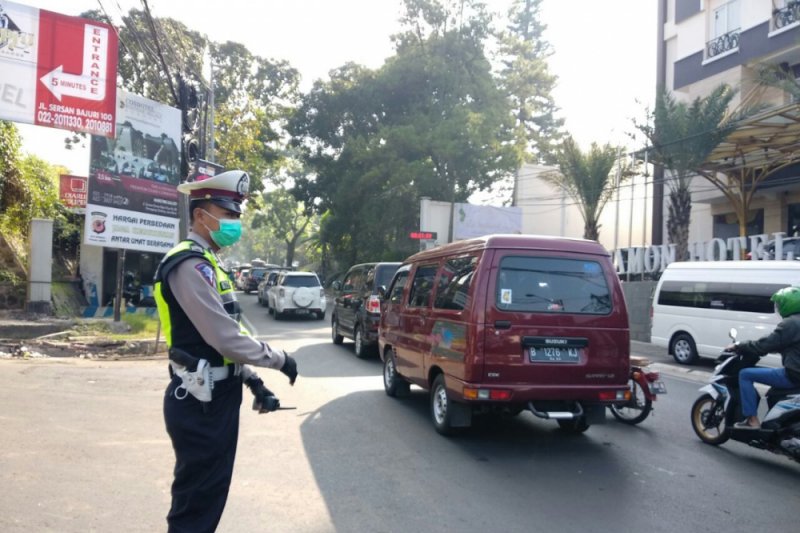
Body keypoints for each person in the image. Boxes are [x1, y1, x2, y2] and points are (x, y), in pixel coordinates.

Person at [154, 169, 298, 532]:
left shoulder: (209, 263)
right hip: (200, 402)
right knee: (196, 503)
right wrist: (278, 359)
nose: (235, 223)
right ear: (202, 215)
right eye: (229, 214)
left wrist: (252, 381)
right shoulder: (188, 265)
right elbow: (224, 338)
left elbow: (222, 337)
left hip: (216, 395)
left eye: (237, 216)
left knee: (209, 494)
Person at [727, 286, 800, 429]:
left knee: (745, 374)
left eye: (779, 304)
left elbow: (766, 344)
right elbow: (785, 344)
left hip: (794, 374)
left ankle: (751, 420)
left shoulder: (791, 323)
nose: (778, 308)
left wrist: (739, 345)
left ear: (789, 304)